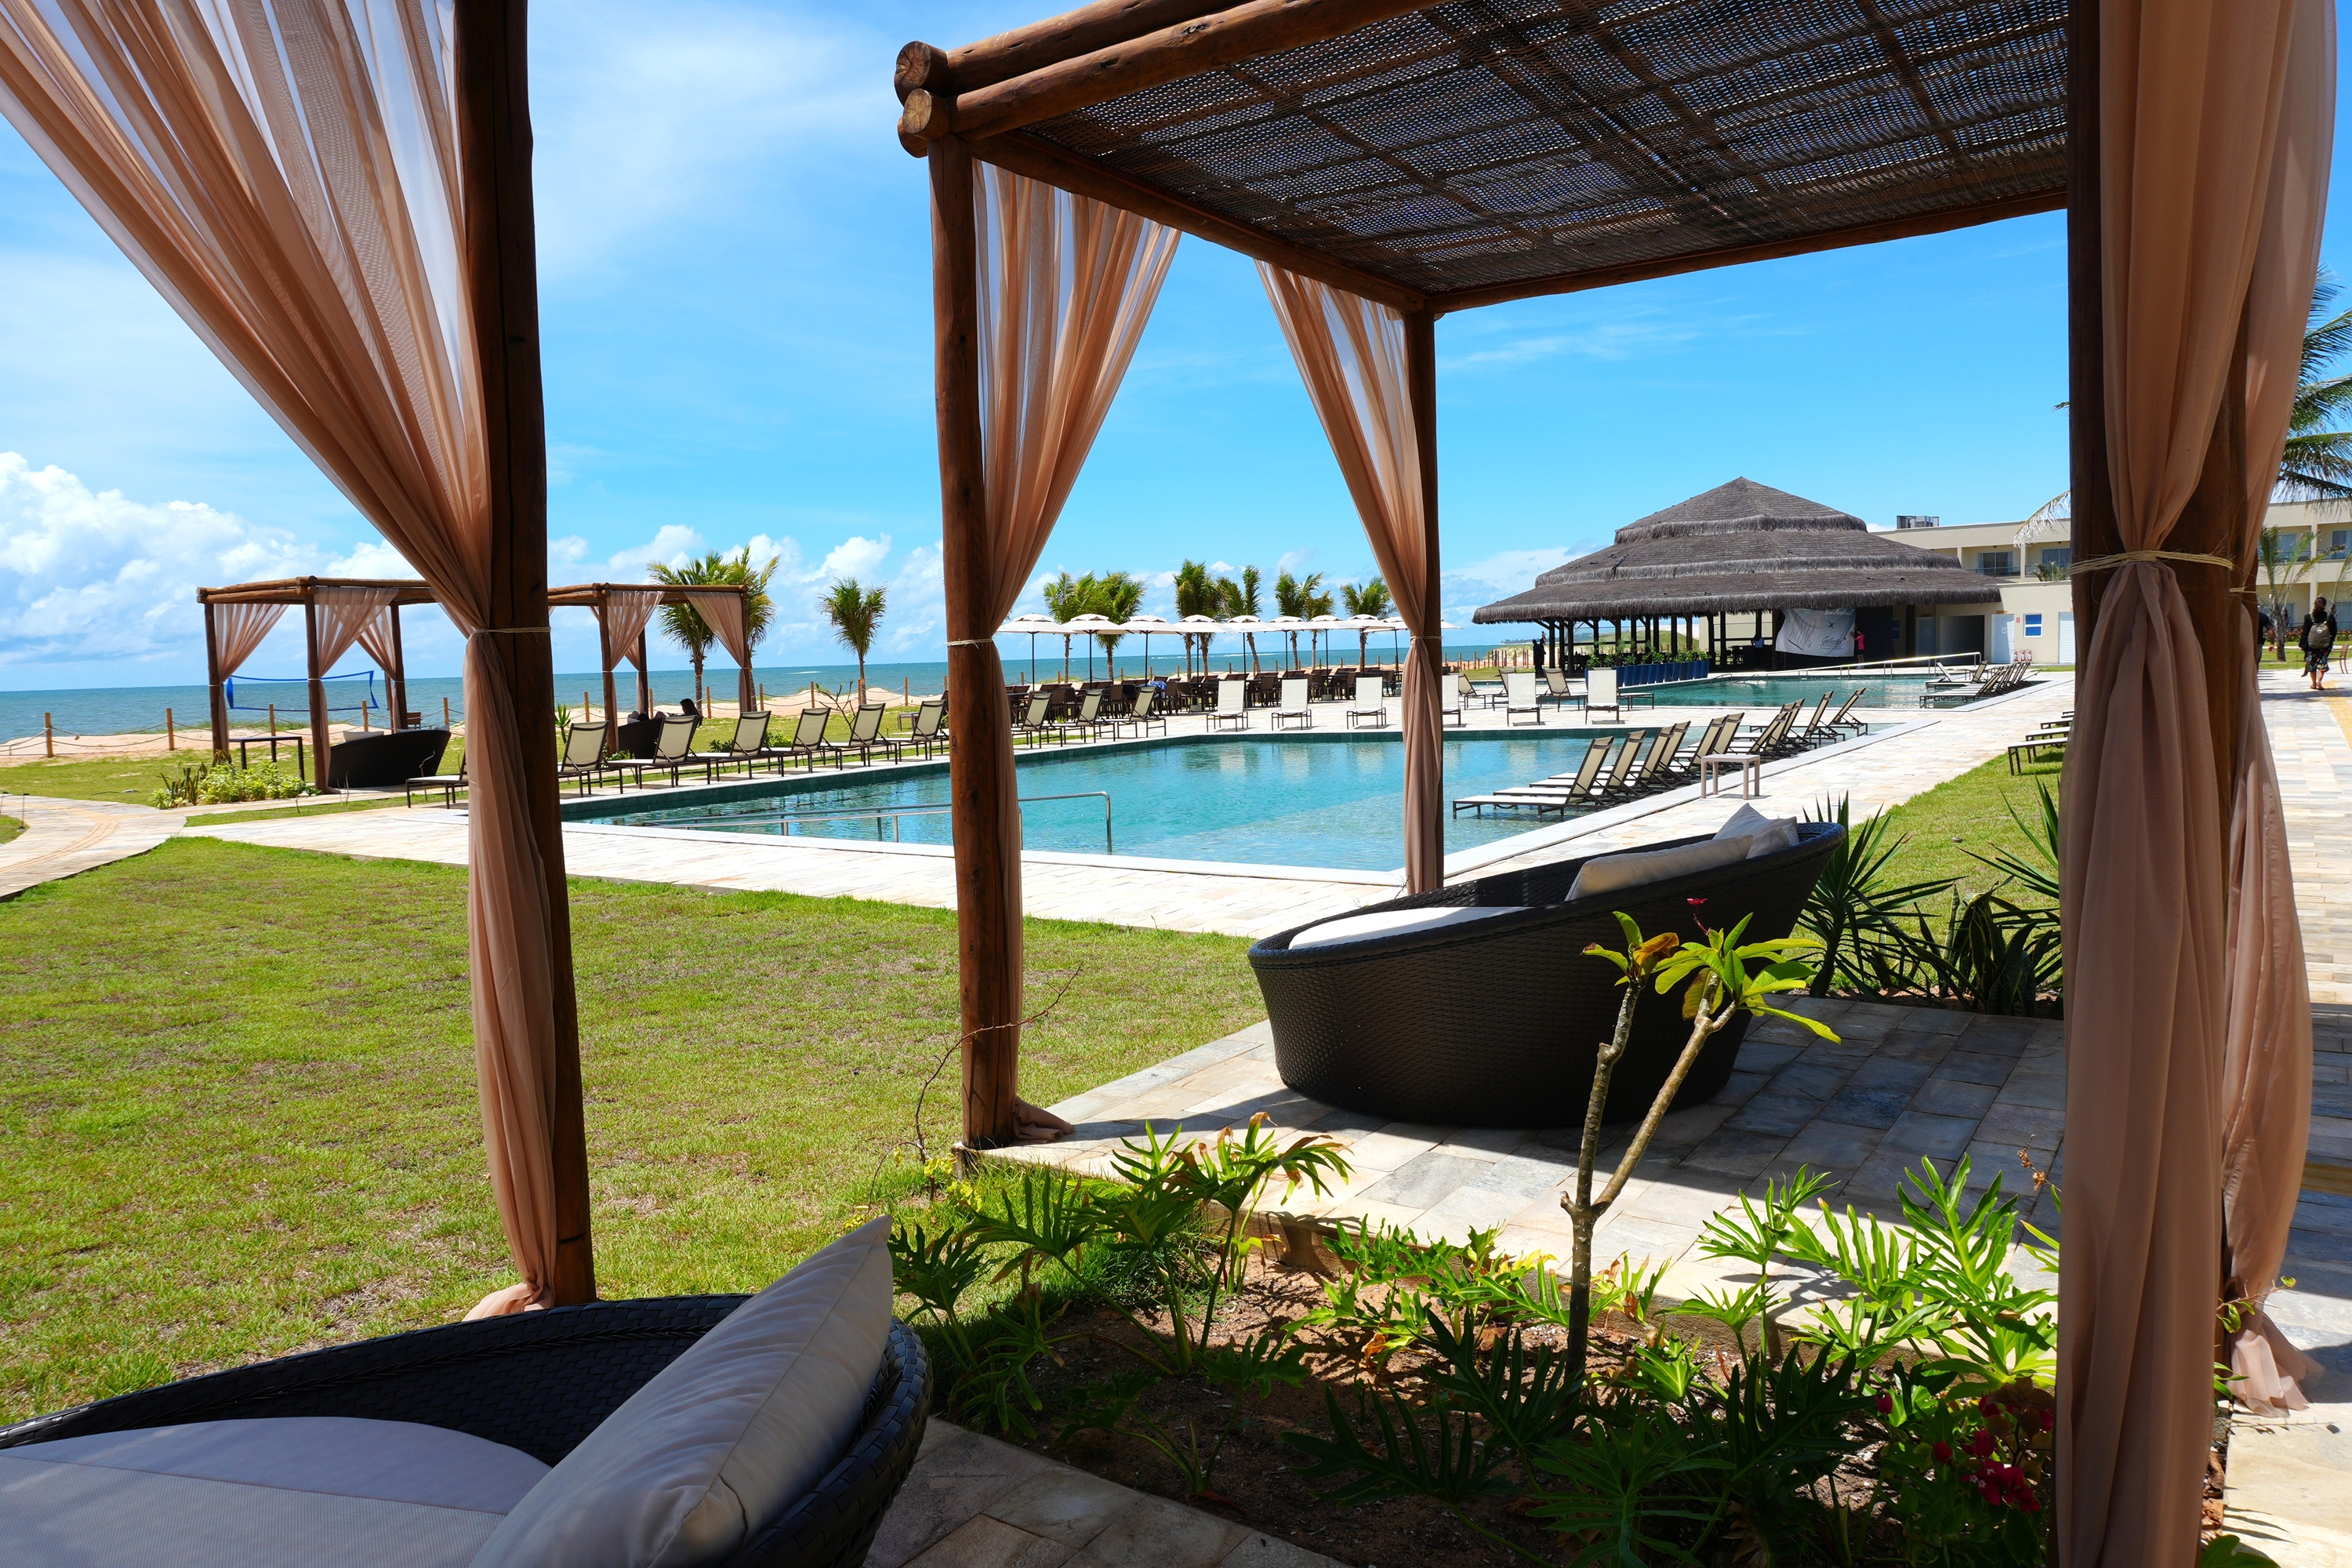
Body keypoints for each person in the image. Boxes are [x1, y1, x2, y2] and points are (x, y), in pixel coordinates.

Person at [2305, 597, 2338, 690]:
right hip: (2325, 646)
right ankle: (2319, 682)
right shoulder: (2330, 617)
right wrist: (2330, 643)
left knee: (2312, 664)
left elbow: (2305, 633)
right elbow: (2334, 632)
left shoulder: (2309, 617)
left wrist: (2303, 645)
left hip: (2312, 646)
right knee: (2322, 664)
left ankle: (2313, 684)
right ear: (2325, 605)